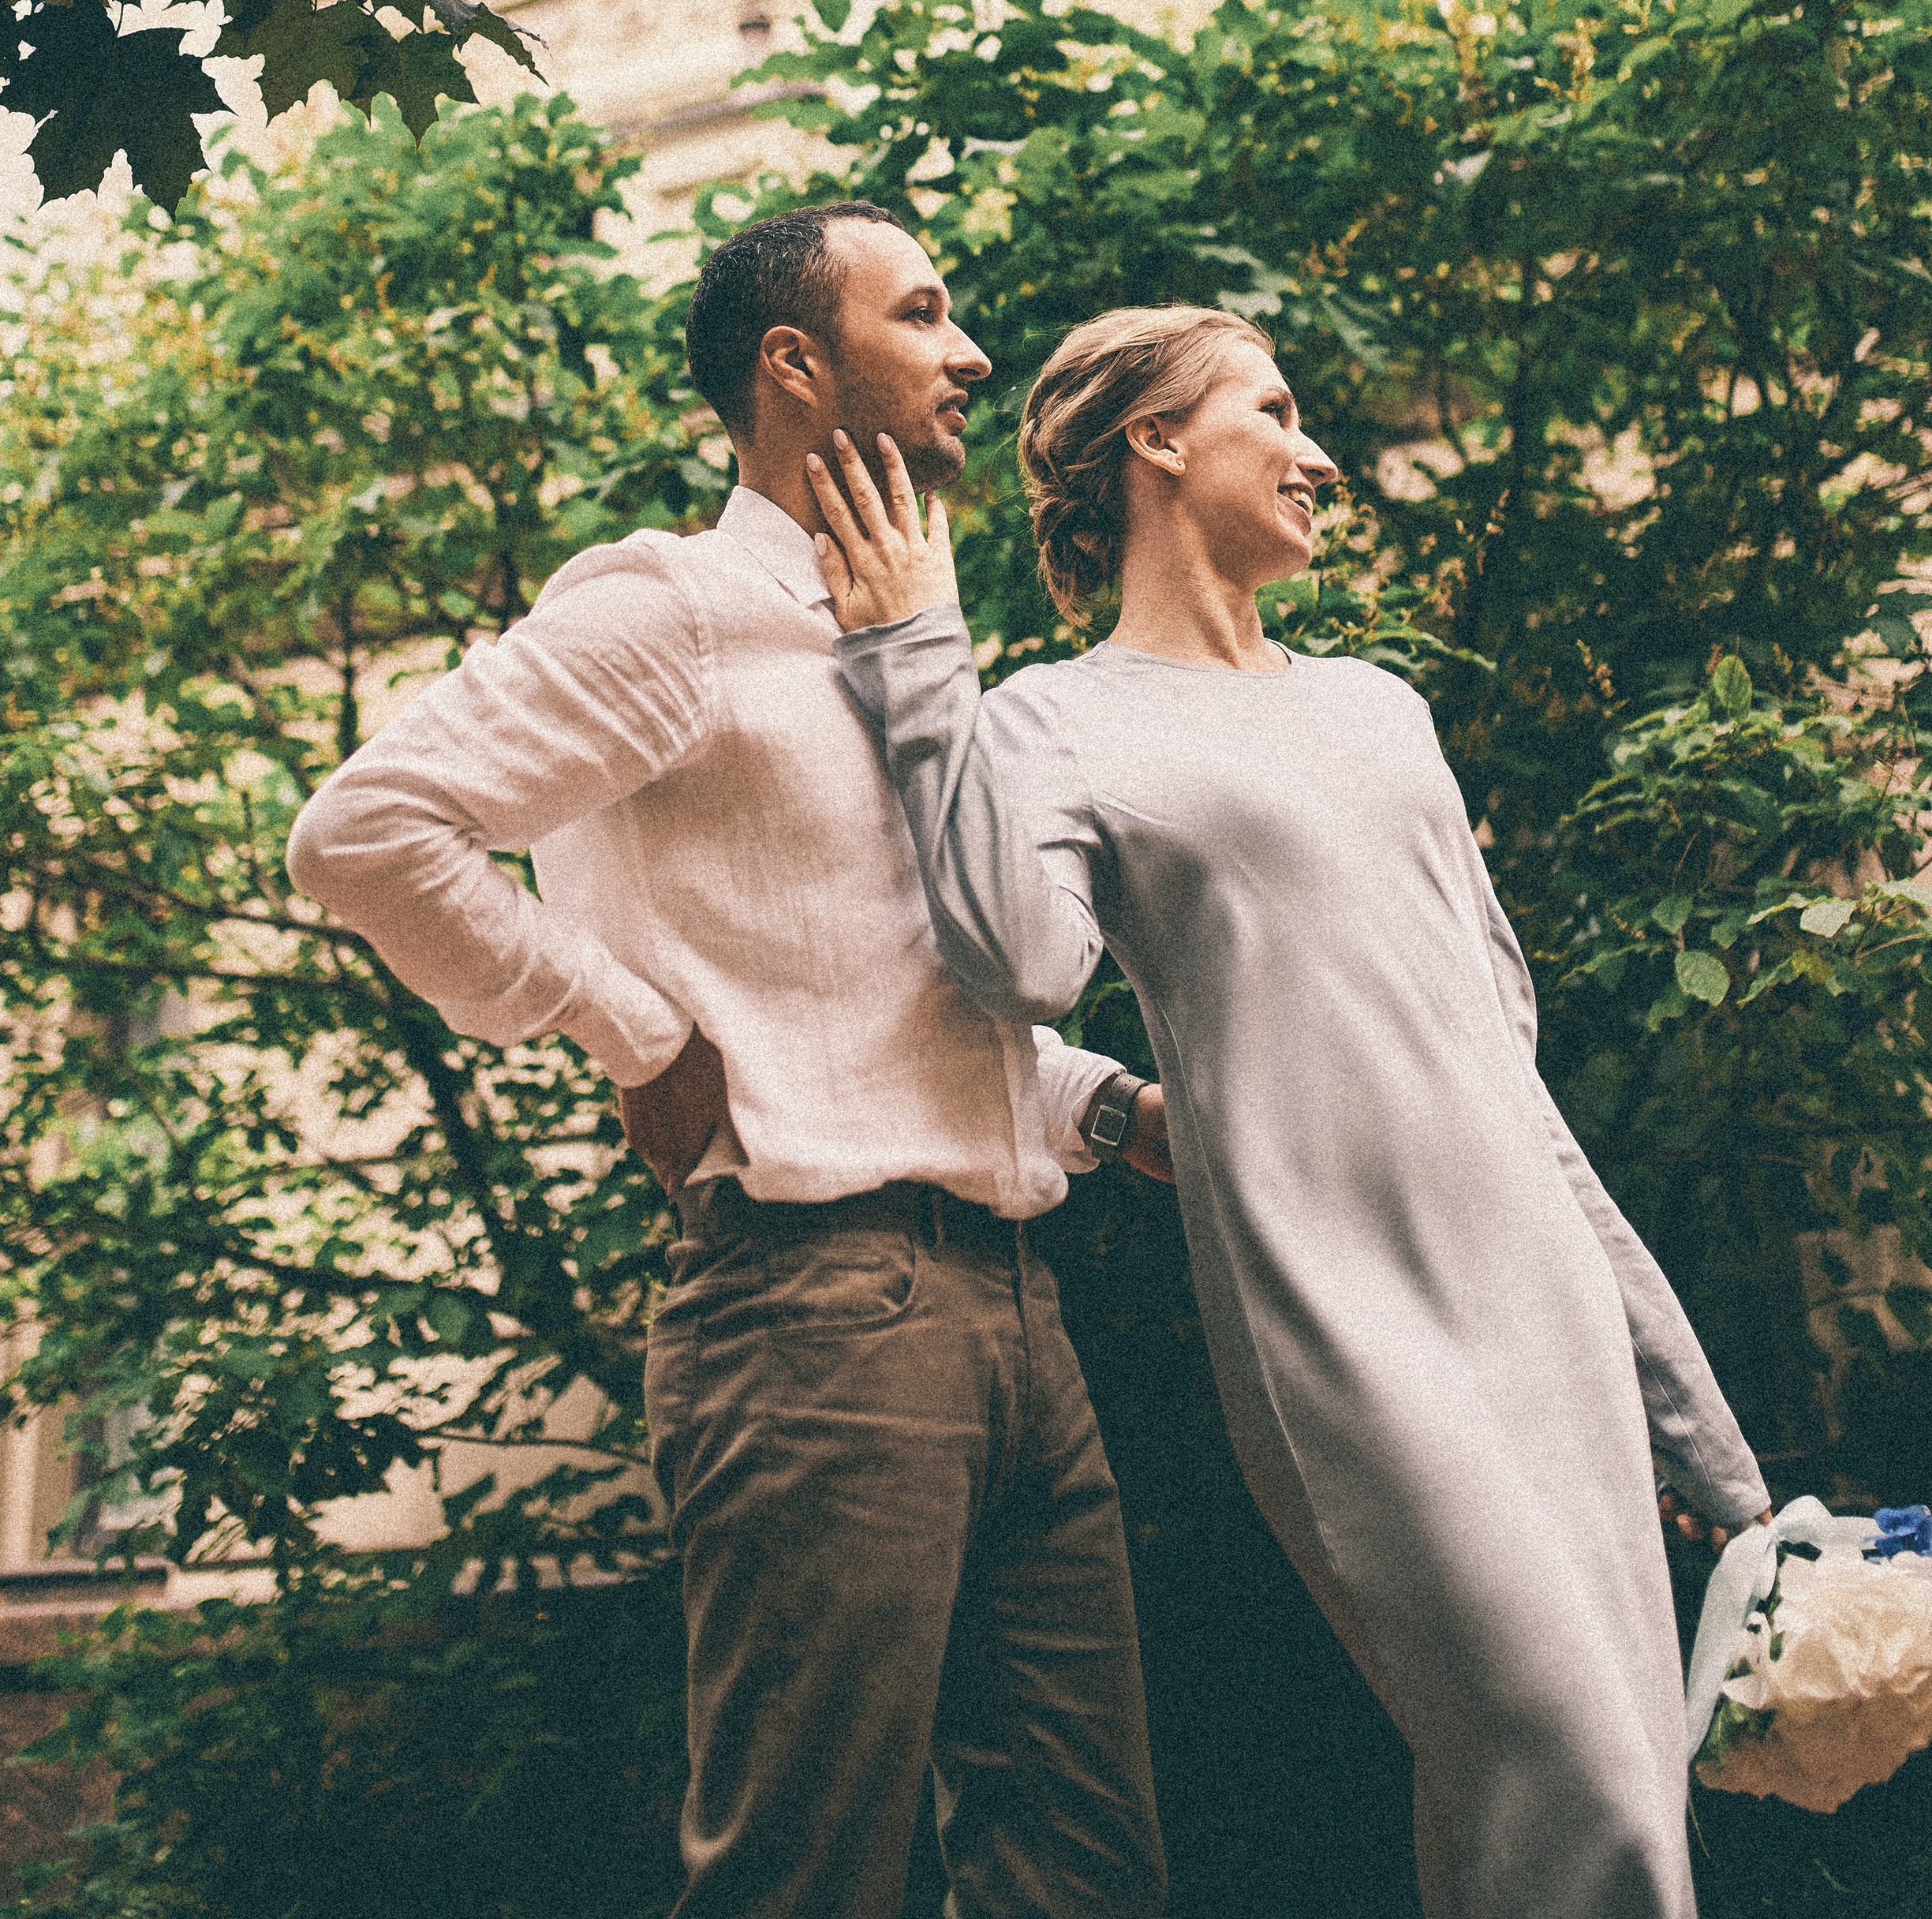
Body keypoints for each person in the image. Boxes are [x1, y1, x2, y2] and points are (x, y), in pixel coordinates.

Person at [813, 302, 1771, 1919]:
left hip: (1537, 1298)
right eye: (1273, 408)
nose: (1318, 453)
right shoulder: (1054, 718)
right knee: (1564, 1766)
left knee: (1611, 1791)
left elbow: (1507, 1090)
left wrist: (1690, 1421)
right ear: (1155, 440)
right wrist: (912, 665)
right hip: (1334, 1319)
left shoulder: (1378, 713)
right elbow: (1020, 964)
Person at [284, 204, 1168, 1919]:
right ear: (794, 364)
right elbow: (365, 832)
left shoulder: (906, 620)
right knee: (803, 1882)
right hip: (814, 1317)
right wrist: (629, 1028)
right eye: (921, 314)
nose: (970, 351)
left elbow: (879, 991)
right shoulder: (674, 610)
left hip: (1015, 1313)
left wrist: (1106, 1108)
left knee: (1083, 1869)